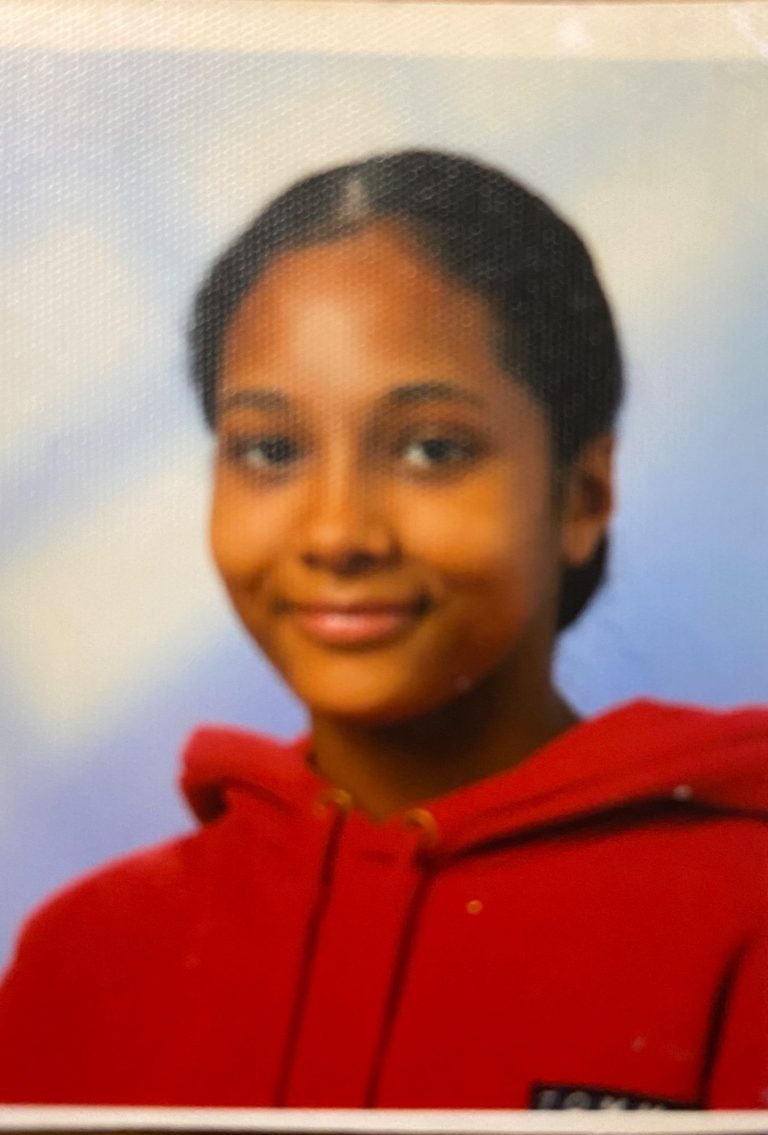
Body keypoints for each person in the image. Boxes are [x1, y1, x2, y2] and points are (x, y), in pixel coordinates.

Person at [0, 149, 766, 1110]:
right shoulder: (80, 953)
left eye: (432, 448)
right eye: (269, 449)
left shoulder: (742, 914)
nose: (336, 533)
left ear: (583, 494)